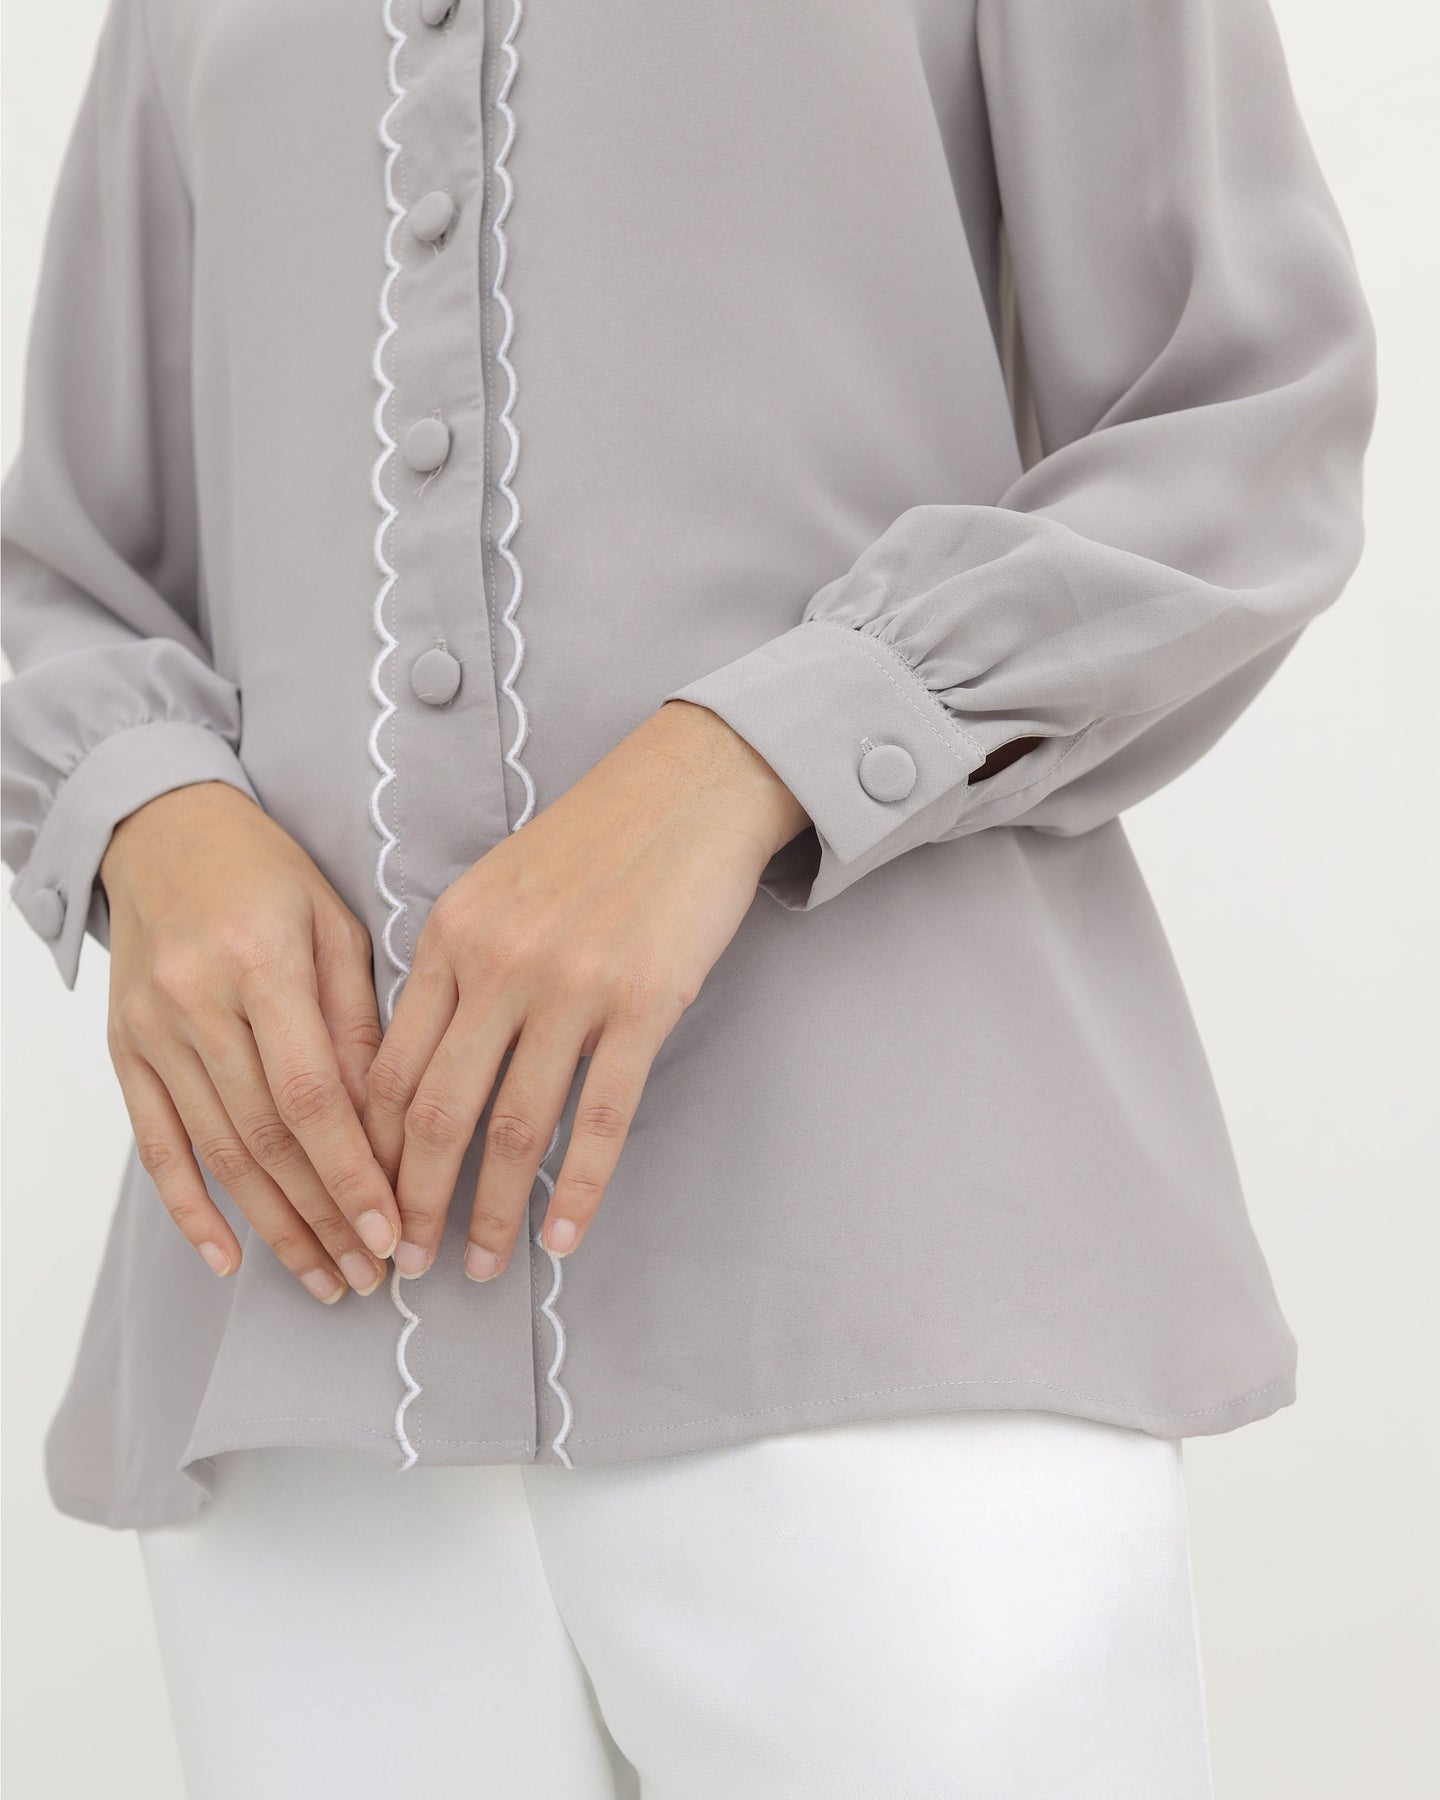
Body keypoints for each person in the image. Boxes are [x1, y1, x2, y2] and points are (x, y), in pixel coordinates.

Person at [1, 0, 1375, 1793]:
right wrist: (153, 817)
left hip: (887, 1291)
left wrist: (746, 757)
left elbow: (1248, 423)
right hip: (302, 1356)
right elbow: (70, 563)